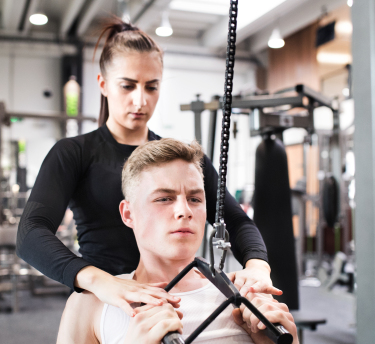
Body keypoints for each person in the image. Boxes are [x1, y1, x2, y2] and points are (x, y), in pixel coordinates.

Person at [16, 18, 280, 316]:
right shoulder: (74, 153)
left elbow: (237, 220)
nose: (140, 100)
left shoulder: (181, 159)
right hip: (107, 301)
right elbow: (30, 233)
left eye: (151, 87)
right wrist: (101, 282)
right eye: (127, 86)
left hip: (176, 299)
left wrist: (257, 265)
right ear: (103, 84)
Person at [37, 139, 324, 344]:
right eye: (164, 198)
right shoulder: (93, 305)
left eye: (195, 199)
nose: (184, 210)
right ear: (128, 214)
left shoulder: (244, 297)